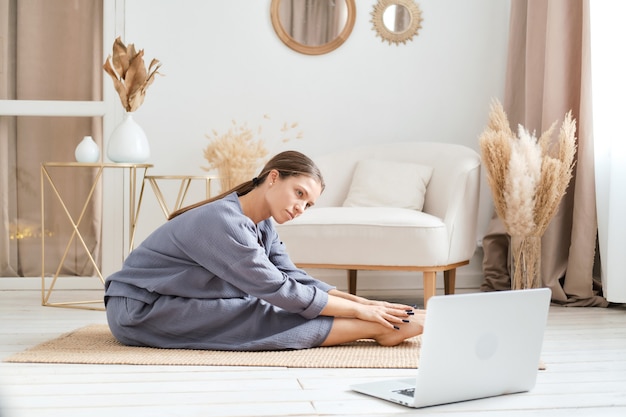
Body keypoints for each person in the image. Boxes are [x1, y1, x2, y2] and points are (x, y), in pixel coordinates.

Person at [104, 150, 425, 351]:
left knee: (269, 301)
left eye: (308, 203)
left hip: (177, 300)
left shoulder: (263, 224)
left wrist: (367, 302)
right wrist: (362, 313)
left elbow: (292, 275)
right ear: (273, 178)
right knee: (261, 309)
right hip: (139, 310)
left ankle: (379, 323)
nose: (301, 207)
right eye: (298, 193)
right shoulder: (223, 220)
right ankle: (372, 330)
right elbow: (277, 289)